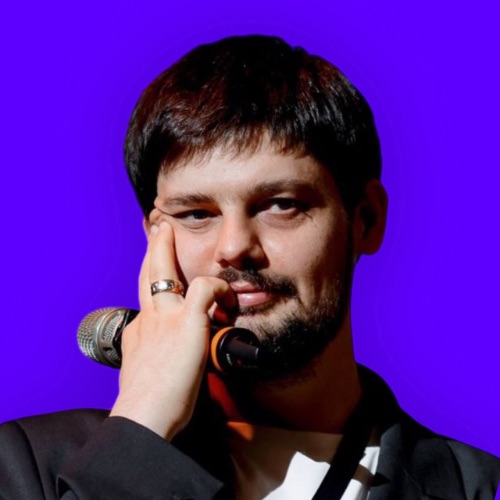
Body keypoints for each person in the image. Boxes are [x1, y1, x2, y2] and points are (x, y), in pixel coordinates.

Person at [0, 34, 499, 500]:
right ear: (155, 237)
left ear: (366, 219)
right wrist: (141, 425)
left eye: (280, 205)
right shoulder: (24, 466)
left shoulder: (478, 486)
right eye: (196, 214)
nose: (235, 247)